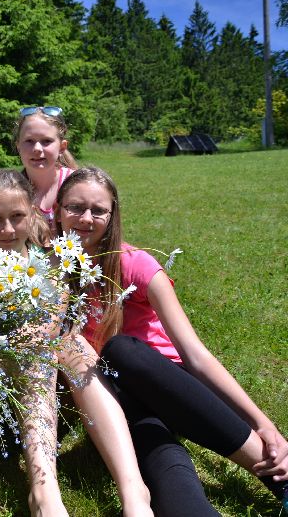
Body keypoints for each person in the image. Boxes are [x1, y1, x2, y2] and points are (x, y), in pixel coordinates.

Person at [55, 166, 288, 515]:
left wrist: (262, 422)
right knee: (169, 475)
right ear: (58, 210)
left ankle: (281, 479)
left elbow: (195, 355)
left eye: (98, 210)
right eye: (75, 207)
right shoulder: (50, 272)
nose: (86, 218)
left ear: (112, 215)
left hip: (169, 384)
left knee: (121, 352)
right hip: (120, 399)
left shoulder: (136, 265)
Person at [0, 169, 152, 516]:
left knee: (73, 346)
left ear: (32, 213)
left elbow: (48, 325)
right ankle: (45, 492)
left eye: (17, 217)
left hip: (42, 394)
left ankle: (134, 491)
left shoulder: (50, 263)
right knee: (39, 352)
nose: (7, 229)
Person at [14, 106, 78, 239]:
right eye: (29, 141)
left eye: (46, 141)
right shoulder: (11, 190)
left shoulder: (76, 184)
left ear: (62, 147)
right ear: (18, 146)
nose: (37, 148)